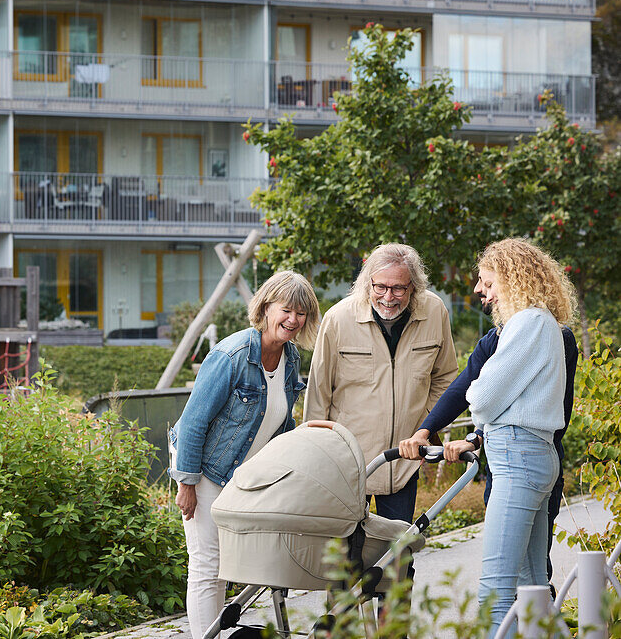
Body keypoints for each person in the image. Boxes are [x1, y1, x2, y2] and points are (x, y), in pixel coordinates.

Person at [408, 239, 573, 636]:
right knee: (532, 583)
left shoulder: (528, 323)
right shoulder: (544, 323)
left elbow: (479, 397)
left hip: (517, 456)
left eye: (488, 281)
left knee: (497, 587)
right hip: (534, 453)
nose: (483, 291)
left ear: (512, 278)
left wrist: (482, 402)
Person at [168, 271, 321, 639]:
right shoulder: (231, 354)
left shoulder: (291, 358)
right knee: (207, 565)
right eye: (287, 310)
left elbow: (281, 426)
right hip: (207, 474)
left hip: (248, 480)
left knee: (238, 566)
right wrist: (186, 484)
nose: (293, 320)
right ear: (266, 308)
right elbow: (192, 423)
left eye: (301, 313)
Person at [305, 243, 457, 523]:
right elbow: (318, 394)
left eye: (399, 288)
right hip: (348, 464)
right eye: (380, 287)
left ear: (414, 287)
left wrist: (426, 426)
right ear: (367, 283)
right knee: (345, 556)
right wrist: (318, 459)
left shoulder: (435, 311)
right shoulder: (338, 319)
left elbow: (445, 377)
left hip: (404, 461)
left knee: (399, 553)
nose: (389, 297)